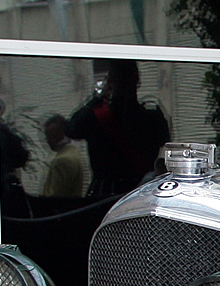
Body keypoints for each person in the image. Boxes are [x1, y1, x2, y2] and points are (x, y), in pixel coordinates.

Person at [70, 60, 170, 196]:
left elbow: (72, 129)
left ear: (110, 82)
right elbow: (164, 140)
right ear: (137, 80)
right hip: (140, 192)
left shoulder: (96, 117)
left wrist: (98, 98)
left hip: (106, 192)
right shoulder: (152, 116)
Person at [40, 114, 89, 197]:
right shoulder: (73, 151)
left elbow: (55, 196)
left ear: (61, 134)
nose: (47, 140)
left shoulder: (62, 161)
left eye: (51, 136)